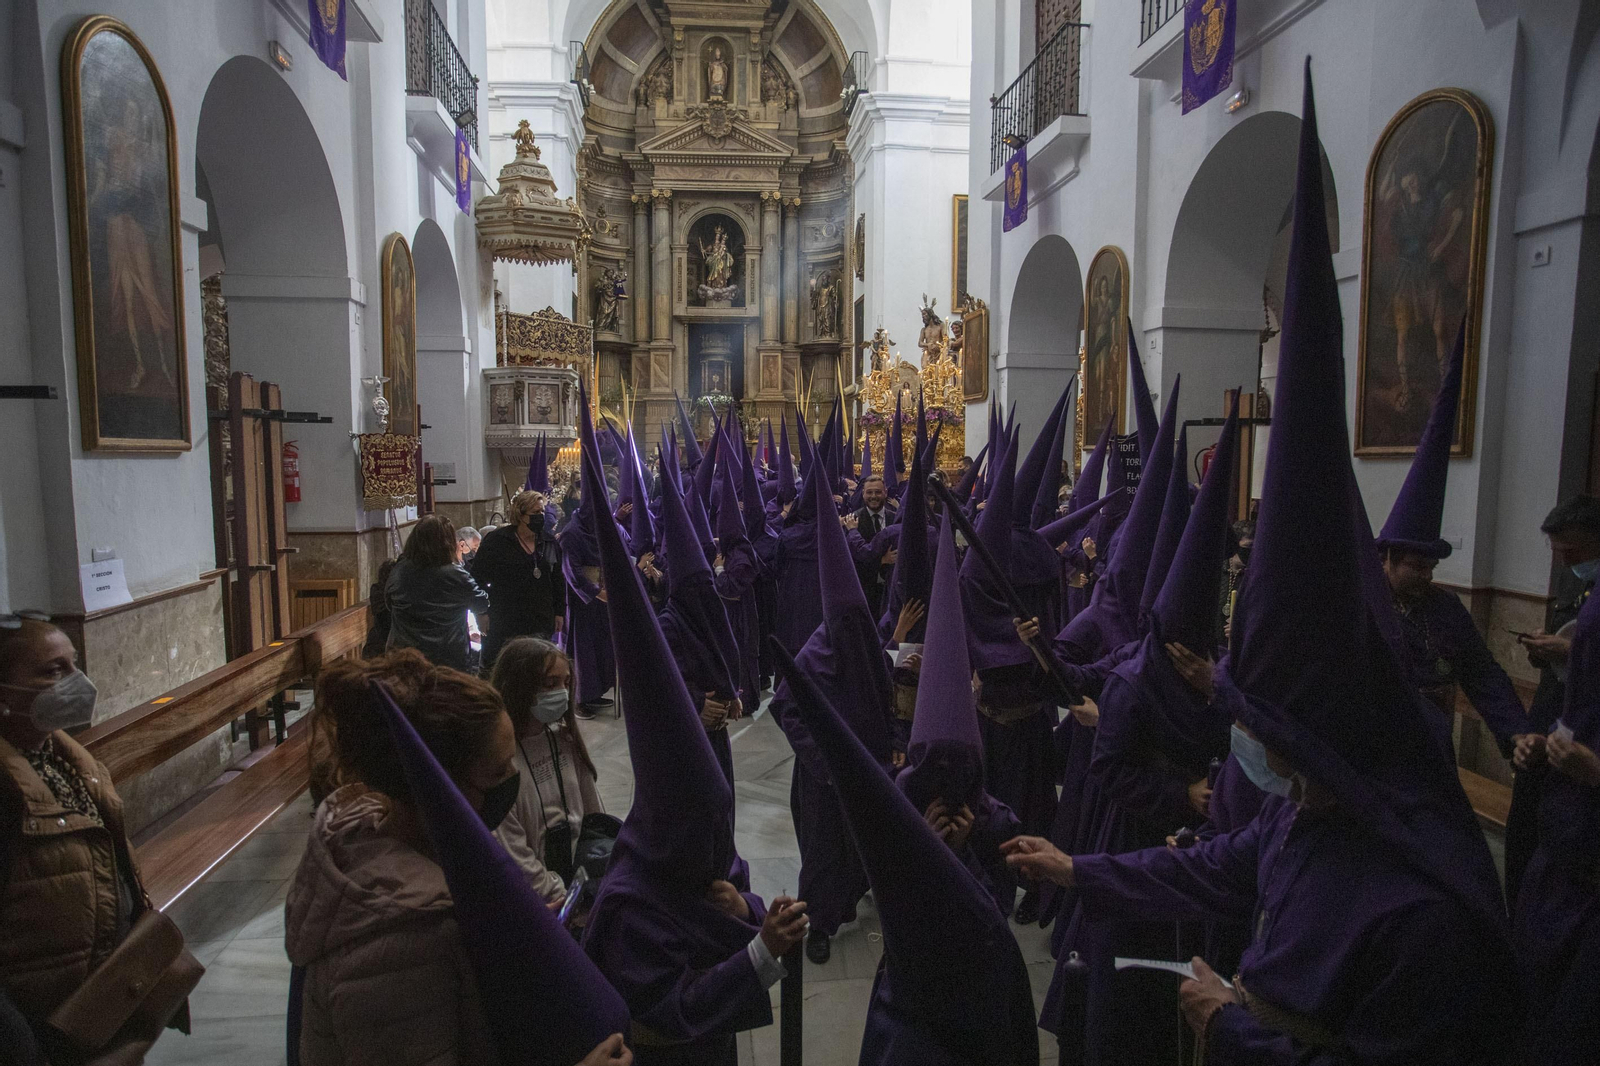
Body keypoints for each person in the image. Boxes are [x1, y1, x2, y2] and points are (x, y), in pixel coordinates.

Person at [1006, 72, 1521, 1066]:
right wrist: (1076, 870)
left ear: (1326, 735)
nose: (1254, 748)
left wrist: (1229, 1026)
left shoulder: (1427, 914)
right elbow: (1208, 872)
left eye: (1267, 728)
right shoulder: (1307, 816)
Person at [287, 649, 631, 1066]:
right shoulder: (399, 947)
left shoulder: (421, 848)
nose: (512, 782)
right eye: (498, 773)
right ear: (440, 789)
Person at [0, 612, 197, 1063]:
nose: (78, 681)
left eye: (74, 663)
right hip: (36, 1028)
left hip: (96, 1008)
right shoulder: (5, 789)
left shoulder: (70, 762)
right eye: (53, 670)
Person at [1505, 494, 1600, 907]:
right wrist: (1541, 739)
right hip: (1559, 738)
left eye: (1572, 551)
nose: (1564, 562)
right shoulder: (1581, 587)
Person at [490, 638, 603, 904]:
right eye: (550, 684)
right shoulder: (501, 758)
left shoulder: (565, 740)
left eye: (566, 683)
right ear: (520, 687)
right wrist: (563, 898)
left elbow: (594, 816)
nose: (562, 693)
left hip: (579, 874)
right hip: (537, 895)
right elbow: (513, 852)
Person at [469, 491, 567, 673]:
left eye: (542, 512)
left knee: (536, 669)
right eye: (535, 513)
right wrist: (481, 612)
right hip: (504, 618)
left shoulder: (548, 542)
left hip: (539, 618)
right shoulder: (497, 541)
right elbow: (477, 578)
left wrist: (560, 611)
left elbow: (557, 579)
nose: (541, 516)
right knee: (502, 669)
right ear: (521, 515)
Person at [386, 515, 491, 673]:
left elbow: (389, 602)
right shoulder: (454, 574)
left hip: (404, 656)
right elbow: (481, 603)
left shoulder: (399, 570)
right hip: (447, 657)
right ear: (447, 542)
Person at [850, 475, 897, 617]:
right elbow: (853, 560)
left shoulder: (895, 518)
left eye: (878, 492)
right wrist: (881, 561)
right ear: (863, 494)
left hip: (892, 592)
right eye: (869, 492)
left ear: (885, 493)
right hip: (864, 592)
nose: (873, 496)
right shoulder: (852, 521)